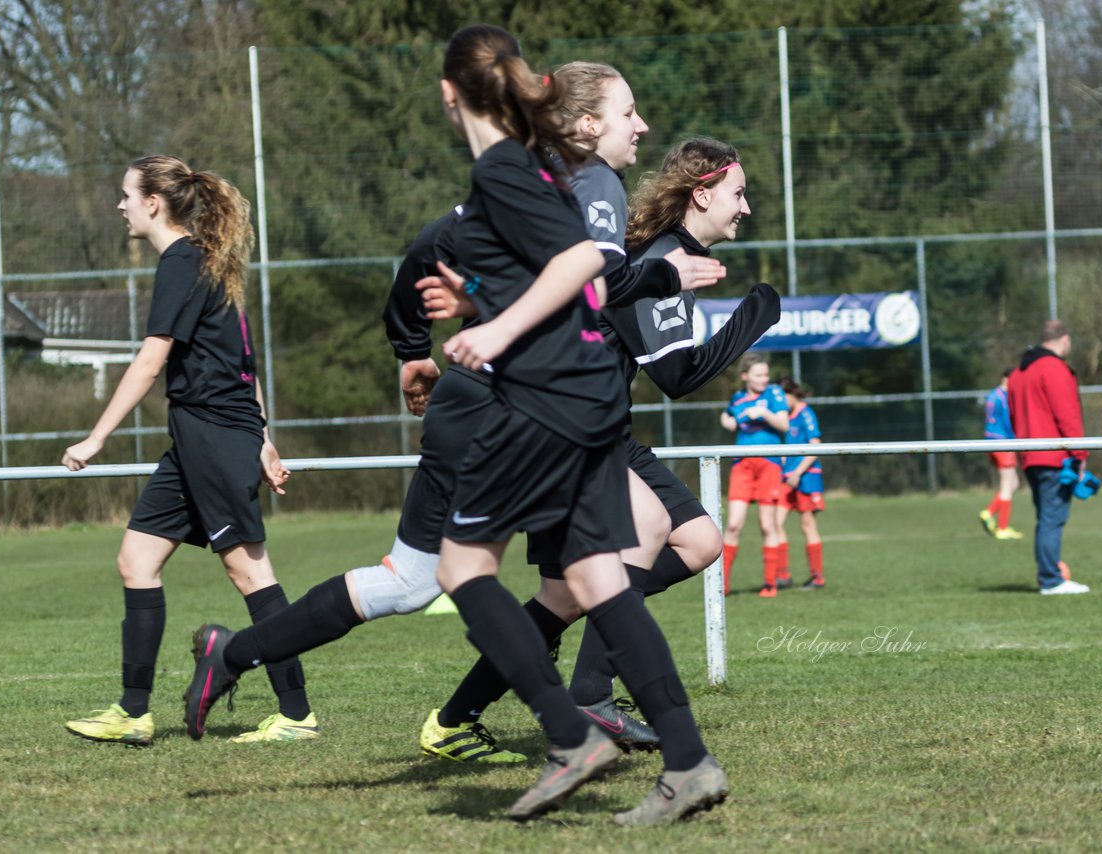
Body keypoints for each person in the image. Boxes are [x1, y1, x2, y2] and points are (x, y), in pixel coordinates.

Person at [188, 26, 728, 826]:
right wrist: (477, 306)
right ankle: (687, 763)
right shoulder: (537, 171)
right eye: (630, 112)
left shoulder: (511, 167)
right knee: (594, 578)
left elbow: (581, 266)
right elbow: (531, 267)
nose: (640, 128)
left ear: (448, 96)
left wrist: (490, 333)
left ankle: (565, 734)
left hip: (536, 401)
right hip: (579, 400)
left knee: (459, 572)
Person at [418, 109, 778, 756]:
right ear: (701, 194)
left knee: (675, 550)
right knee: (596, 581)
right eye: (738, 193)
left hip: (597, 425)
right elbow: (679, 373)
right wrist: (755, 319)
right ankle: (572, 698)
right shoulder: (669, 255)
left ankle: (516, 704)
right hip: (577, 428)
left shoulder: (667, 255)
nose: (745, 208)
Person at [61, 155, 313, 745]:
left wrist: (97, 438)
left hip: (215, 440)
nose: (119, 205)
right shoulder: (206, 259)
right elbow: (242, 361)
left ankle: (297, 716)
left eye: (126, 194)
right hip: (203, 439)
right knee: (136, 561)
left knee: (251, 576)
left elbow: (153, 360)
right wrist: (263, 436)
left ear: (154, 203)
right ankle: (132, 712)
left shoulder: (183, 262)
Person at [1007, 320, 1090, 595]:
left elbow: (1014, 414)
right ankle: (1051, 580)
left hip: (1029, 456)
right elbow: (1067, 413)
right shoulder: (1053, 368)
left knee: (1045, 518)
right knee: (1052, 520)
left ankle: (1049, 575)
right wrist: (1079, 454)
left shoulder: (1019, 371)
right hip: (1054, 457)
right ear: (1064, 340)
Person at [720, 354, 789, 597]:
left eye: (766, 374)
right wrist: (727, 421)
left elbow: (784, 425)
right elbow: (727, 415)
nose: (764, 379)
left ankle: (770, 583)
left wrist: (762, 413)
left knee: (766, 524)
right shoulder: (738, 398)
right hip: (742, 464)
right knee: (733, 523)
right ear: (745, 376)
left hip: (768, 463)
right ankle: (723, 584)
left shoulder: (774, 395)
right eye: (758, 375)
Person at [774, 377, 826, 590]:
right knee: (774, 523)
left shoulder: (805, 413)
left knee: (807, 525)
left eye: (781, 398)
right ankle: (783, 576)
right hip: (788, 478)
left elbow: (815, 445)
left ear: (791, 394)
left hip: (806, 476)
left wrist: (797, 471)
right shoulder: (784, 417)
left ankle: (817, 578)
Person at [979, 369, 1024, 540]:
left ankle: (989, 512)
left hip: (991, 441)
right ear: (1006, 378)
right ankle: (1002, 527)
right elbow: (1007, 421)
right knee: (1008, 484)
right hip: (1002, 442)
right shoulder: (1003, 397)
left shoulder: (993, 394)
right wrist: (1015, 439)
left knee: (1013, 483)